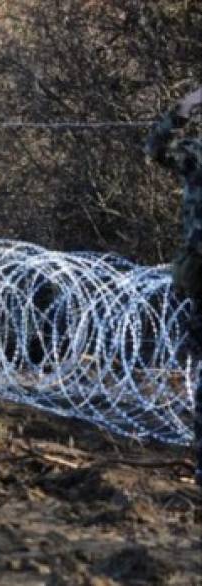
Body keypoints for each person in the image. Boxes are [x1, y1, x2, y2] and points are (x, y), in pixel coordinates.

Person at [144, 86, 202, 488]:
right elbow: (156, 149)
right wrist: (183, 110)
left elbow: (157, 148)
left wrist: (183, 109)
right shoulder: (196, 154)